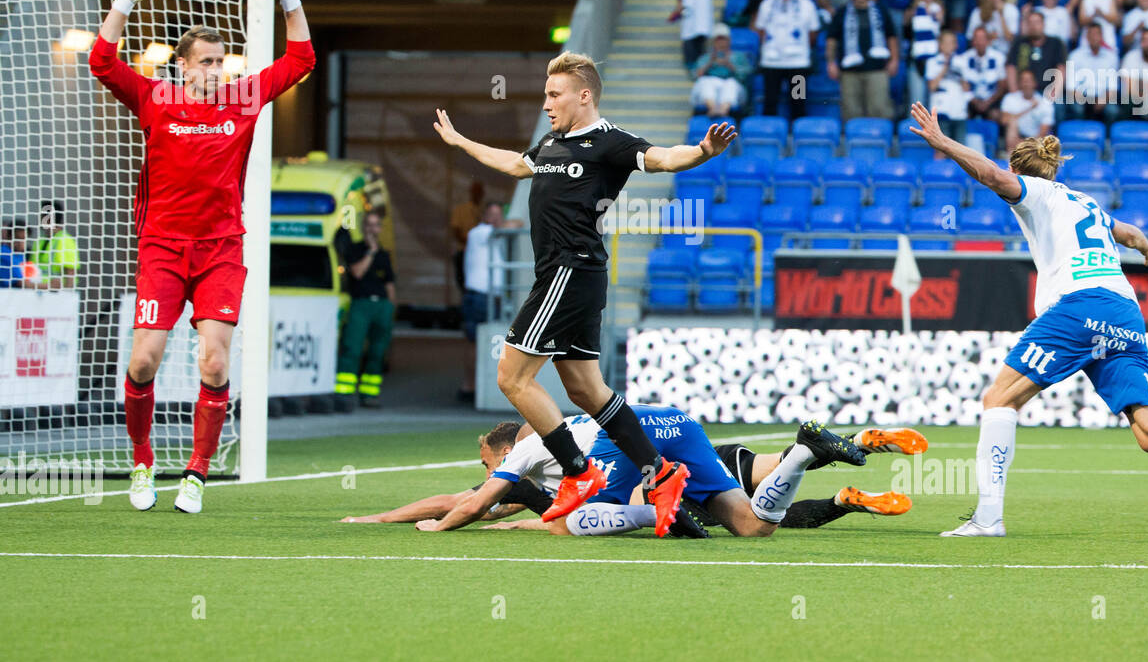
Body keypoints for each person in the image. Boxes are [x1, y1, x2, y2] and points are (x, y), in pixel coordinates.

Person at [908, 103, 1148, 539]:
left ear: (1022, 171)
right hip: (1124, 311)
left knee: (999, 400)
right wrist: (1140, 242)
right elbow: (1126, 231)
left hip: (1079, 305)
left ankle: (988, 519)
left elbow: (990, 176)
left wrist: (943, 143)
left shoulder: (1036, 192)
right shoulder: (1082, 200)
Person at [433, 54, 738, 535]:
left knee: (511, 378)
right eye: (546, 94)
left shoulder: (610, 142)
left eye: (554, 95)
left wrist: (701, 151)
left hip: (569, 273)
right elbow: (515, 165)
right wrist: (459, 141)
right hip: (571, 275)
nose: (547, 103)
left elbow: (661, 159)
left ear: (584, 95)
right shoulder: (553, 141)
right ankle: (659, 474)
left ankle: (577, 471)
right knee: (586, 390)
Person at [89, 0, 315, 514]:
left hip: (220, 251)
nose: (216, 70)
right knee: (144, 361)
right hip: (162, 248)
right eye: (205, 62)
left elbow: (301, 58)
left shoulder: (242, 101)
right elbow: (100, 61)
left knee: (214, 363)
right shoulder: (154, 100)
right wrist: (122, 2)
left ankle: (196, 472)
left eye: (222, 60)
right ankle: (142, 462)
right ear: (183, 66)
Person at [341, 417, 926, 529]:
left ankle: (841, 491)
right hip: (673, 436)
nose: (486, 477)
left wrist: (382, 514)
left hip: (650, 465)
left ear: (501, 449)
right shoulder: (562, 437)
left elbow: (463, 499)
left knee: (747, 519)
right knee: (756, 493)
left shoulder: (525, 456)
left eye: (485, 464)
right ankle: (838, 464)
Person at [456, 201, 522, 402]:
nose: (495, 219)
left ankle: (474, 387)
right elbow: (515, 225)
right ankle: (471, 387)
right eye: (492, 215)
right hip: (480, 296)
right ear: (484, 217)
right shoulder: (480, 232)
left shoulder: (491, 234)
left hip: (488, 296)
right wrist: (503, 221)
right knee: (476, 342)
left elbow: (516, 224)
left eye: (498, 215)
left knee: (479, 341)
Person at [333, 212, 397, 411]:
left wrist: (391, 308)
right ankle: (343, 394)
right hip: (361, 304)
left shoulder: (384, 254)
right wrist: (370, 252)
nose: (372, 229)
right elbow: (357, 272)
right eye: (369, 225)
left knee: (378, 351)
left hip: (382, 306)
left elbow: (389, 284)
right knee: (352, 347)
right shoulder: (356, 249)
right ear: (363, 227)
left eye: (376, 225)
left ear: (380, 229)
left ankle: (370, 394)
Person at [826, 0, 898, 121]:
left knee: (879, 111)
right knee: (851, 113)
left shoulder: (881, 10)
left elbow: (891, 36)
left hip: (877, 70)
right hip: (849, 72)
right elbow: (831, 39)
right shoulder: (842, 12)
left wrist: (894, 59)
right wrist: (831, 62)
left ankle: (878, 143)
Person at [754, 0, 820, 118]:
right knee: (770, 102)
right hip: (771, 64)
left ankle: (799, 136)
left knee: (798, 102)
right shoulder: (767, 4)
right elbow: (760, 30)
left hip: (798, 64)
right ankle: (769, 136)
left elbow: (813, 33)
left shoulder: (807, 5)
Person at [690, 24, 752, 118]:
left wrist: (729, 64)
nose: (721, 43)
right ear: (713, 42)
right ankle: (712, 109)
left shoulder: (739, 57)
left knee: (731, 83)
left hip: (732, 88)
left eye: (723, 39)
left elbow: (745, 76)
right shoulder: (705, 58)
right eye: (718, 40)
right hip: (710, 87)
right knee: (705, 82)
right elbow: (695, 76)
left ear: (729, 41)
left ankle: (723, 110)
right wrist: (710, 62)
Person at [1066, 21, 1122, 122]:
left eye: (1097, 34)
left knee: (1112, 111)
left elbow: (1113, 86)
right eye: (1091, 34)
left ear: (1102, 37)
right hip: (1080, 96)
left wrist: (1103, 100)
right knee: (1077, 109)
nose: (1094, 37)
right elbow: (1070, 85)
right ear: (1087, 37)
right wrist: (1084, 99)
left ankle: (1107, 137)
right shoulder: (1075, 55)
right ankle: (1080, 136)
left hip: (1103, 97)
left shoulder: (1111, 57)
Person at [1005, 7, 1066, 98]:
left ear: (1043, 24)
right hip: (1023, 93)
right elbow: (1011, 67)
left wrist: (1054, 92)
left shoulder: (1055, 43)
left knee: (1059, 106)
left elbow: (1061, 68)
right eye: (1031, 23)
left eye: (1037, 22)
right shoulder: (1019, 43)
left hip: (1048, 92)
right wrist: (1015, 93)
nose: (1034, 26)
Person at [926, 30, 972, 144]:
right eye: (945, 43)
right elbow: (932, 86)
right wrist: (945, 68)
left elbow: (967, 88)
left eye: (951, 42)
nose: (948, 46)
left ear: (956, 45)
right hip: (941, 111)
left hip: (959, 111)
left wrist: (958, 74)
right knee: (940, 148)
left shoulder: (963, 62)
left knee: (960, 150)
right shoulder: (932, 62)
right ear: (940, 45)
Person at [29, 200, 80, 290]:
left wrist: (65, 294)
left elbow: (70, 272)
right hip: (38, 291)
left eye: (42, 216)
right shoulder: (40, 241)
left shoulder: (65, 240)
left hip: (57, 293)